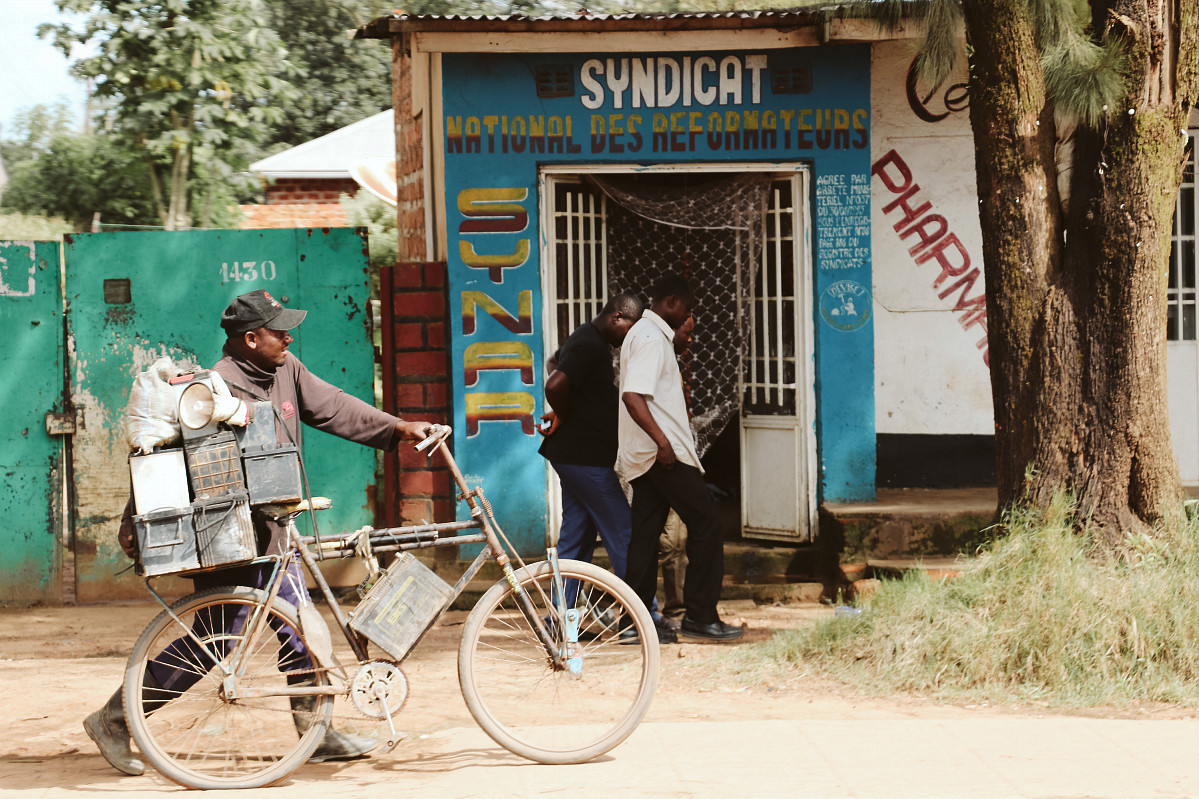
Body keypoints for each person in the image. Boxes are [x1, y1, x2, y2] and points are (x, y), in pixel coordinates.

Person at [85, 289, 429, 776]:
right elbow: (177, 457)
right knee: (215, 641)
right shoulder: (212, 389)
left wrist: (397, 427)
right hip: (230, 534)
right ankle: (114, 718)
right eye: (278, 330)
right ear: (251, 338)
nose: (289, 336)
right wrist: (131, 515)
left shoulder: (285, 368)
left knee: (299, 631)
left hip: (275, 530)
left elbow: (333, 406)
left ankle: (318, 729)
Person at [537, 294, 676, 644]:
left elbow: (556, 363)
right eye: (630, 328)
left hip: (576, 455)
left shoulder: (585, 339)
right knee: (626, 534)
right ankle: (641, 619)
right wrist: (566, 412)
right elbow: (554, 384)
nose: (630, 338)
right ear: (618, 317)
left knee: (576, 540)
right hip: (584, 459)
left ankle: (558, 624)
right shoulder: (591, 344)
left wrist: (572, 408)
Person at [618, 274, 744, 642]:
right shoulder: (650, 338)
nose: (687, 316)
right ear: (670, 301)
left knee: (643, 538)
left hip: (648, 455)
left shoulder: (645, 335)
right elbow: (632, 396)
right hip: (661, 455)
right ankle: (701, 616)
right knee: (706, 524)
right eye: (686, 308)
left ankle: (633, 622)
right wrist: (663, 443)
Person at [657, 314, 695, 631]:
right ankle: (642, 610)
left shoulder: (674, 365)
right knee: (668, 543)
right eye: (688, 332)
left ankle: (676, 609)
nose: (691, 339)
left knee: (676, 542)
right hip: (657, 460)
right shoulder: (653, 358)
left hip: (674, 458)